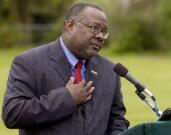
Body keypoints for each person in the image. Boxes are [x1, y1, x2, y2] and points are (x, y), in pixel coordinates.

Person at [2, 3, 129, 135]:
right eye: (94, 28)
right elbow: (12, 114)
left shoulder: (110, 70)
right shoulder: (29, 62)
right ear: (70, 26)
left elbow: (117, 120)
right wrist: (67, 99)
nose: (100, 36)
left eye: (104, 31)